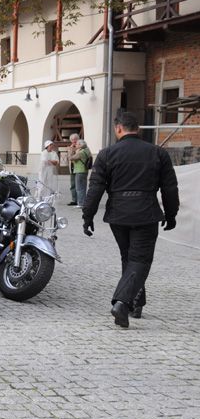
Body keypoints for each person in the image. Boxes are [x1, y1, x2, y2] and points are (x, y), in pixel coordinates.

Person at [82, 111, 179, 328]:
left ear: (118, 128)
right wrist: (171, 214)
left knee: (130, 258)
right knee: (140, 260)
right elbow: (170, 188)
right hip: (146, 213)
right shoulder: (158, 153)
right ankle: (122, 303)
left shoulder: (107, 154)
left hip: (118, 215)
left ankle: (136, 303)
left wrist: (88, 216)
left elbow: (95, 188)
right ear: (138, 128)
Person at [71, 139, 92, 206]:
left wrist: (70, 150)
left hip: (79, 171)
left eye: (77, 144)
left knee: (79, 188)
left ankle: (81, 203)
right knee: (83, 187)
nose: (76, 145)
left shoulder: (81, 152)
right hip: (85, 171)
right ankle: (83, 202)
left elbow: (71, 158)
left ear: (80, 145)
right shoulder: (87, 150)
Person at [65, 132, 80, 205]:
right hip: (72, 169)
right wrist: (71, 149)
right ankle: (74, 200)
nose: (74, 141)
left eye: (75, 139)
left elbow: (77, 156)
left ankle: (80, 200)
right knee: (72, 185)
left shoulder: (80, 147)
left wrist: (75, 149)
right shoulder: (70, 148)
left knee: (79, 186)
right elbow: (69, 157)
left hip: (79, 169)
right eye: (72, 139)